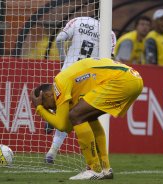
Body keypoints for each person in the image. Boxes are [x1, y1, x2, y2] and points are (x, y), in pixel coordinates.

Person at [30, 57, 143, 180]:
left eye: (48, 106)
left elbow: (62, 125)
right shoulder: (73, 89)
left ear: (47, 95)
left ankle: (93, 169)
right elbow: (68, 127)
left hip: (121, 80)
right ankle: (105, 169)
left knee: (75, 115)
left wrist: (40, 109)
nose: (53, 109)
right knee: (89, 118)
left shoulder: (59, 83)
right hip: (134, 79)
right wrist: (44, 108)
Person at [44, 15, 116, 164]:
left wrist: (63, 59)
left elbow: (59, 39)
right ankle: (54, 151)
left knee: (64, 111)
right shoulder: (110, 34)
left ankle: (55, 117)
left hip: (67, 73)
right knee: (78, 116)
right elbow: (109, 60)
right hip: (85, 80)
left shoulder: (79, 21)